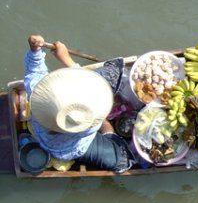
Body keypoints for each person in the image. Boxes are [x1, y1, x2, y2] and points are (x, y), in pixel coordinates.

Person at [24, 35, 134, 173]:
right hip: (73, 147)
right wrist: (66, 59)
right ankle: (109, 136)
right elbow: (97, 121)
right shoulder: (86, 128)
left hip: (47, 138)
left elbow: (34, 70)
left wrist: (34, 49)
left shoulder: (38, 94)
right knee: (122, 162)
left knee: (111, 73)